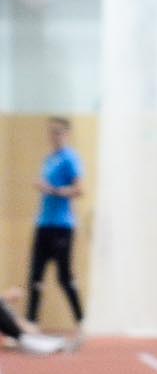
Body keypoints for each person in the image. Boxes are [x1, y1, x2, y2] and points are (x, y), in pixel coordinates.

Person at [27, 116, 84, 341]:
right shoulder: (48, 159)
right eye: (52, 132)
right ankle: (30, 324)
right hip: (44, 224)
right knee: (35, 276)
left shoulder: (70, 159)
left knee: (64, 277)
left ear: (67, 134)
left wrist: (53, 190)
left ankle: (80, 321)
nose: (55, 136)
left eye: (59, 132)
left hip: (62, 226)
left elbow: (79, 189)